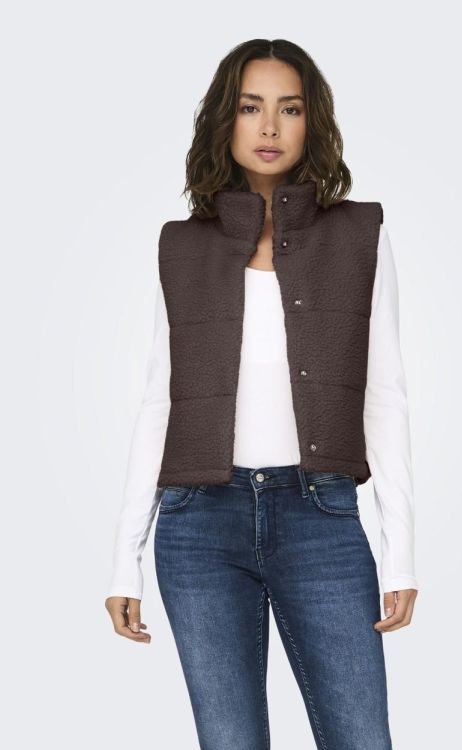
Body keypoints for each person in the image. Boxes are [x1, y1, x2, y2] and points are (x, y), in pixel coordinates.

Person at [105, 38, 418, 750]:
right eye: (251, 108)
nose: (270, 127)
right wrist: (125, 559)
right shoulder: (183, 245)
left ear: (313, 123)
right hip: (197, 527)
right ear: (226, 119)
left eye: (289, 109)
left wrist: (399, 552)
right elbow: (160, 400)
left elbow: (385, 395)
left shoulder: (359, 235)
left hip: (322, 520)